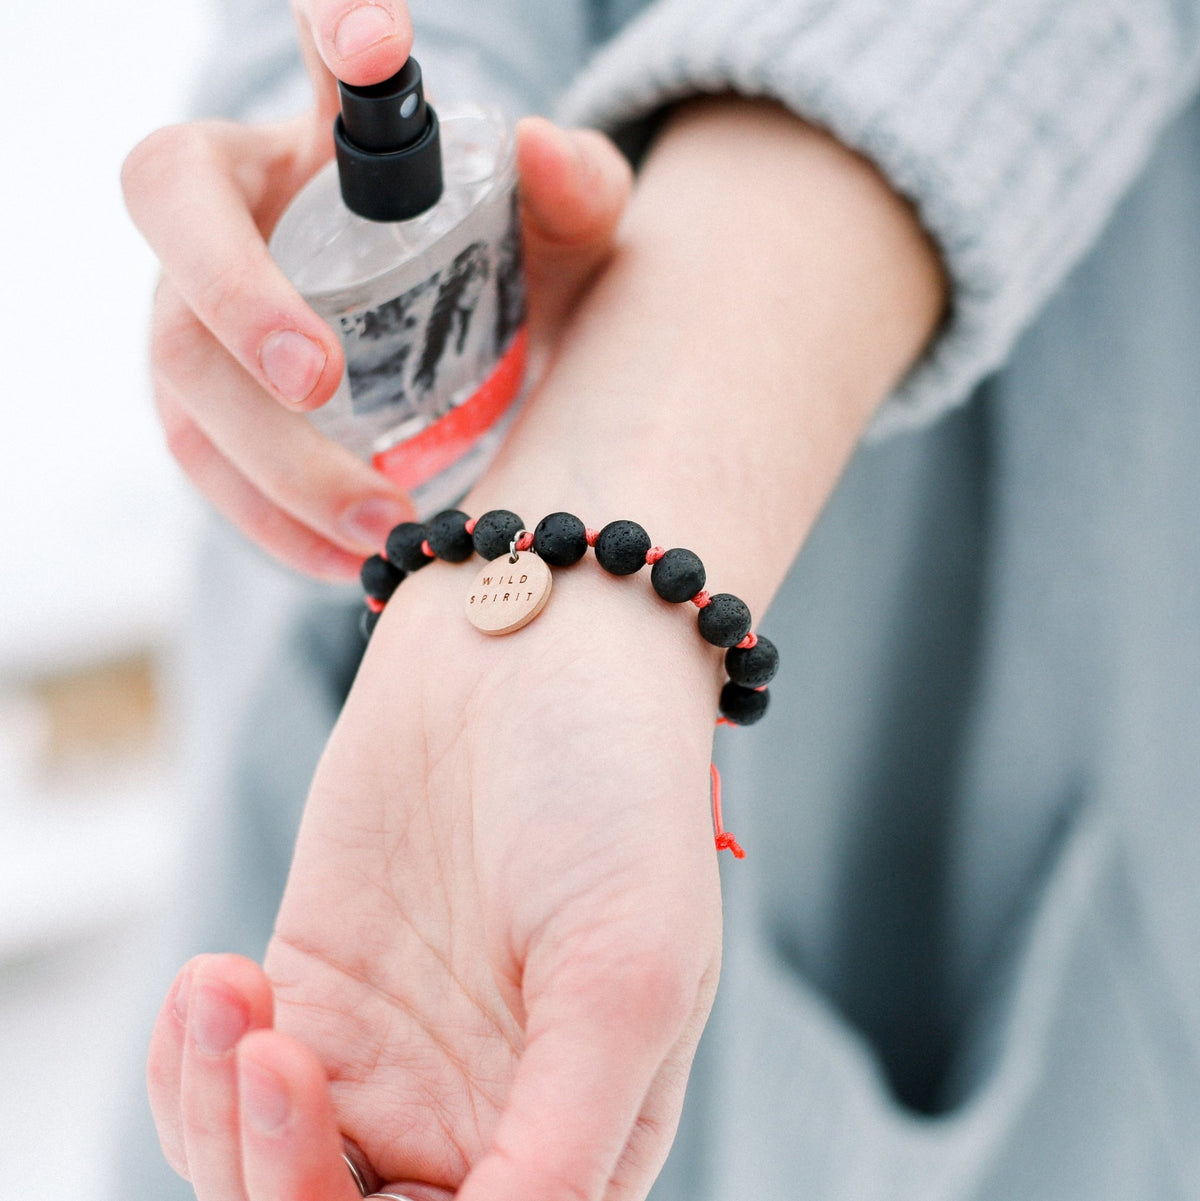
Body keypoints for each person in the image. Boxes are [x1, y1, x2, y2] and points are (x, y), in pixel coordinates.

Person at [120, 1, 1200, 1198]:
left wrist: (637, 429)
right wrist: (377, 166)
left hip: (980, 615)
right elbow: (358, 46)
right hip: (375, 752)